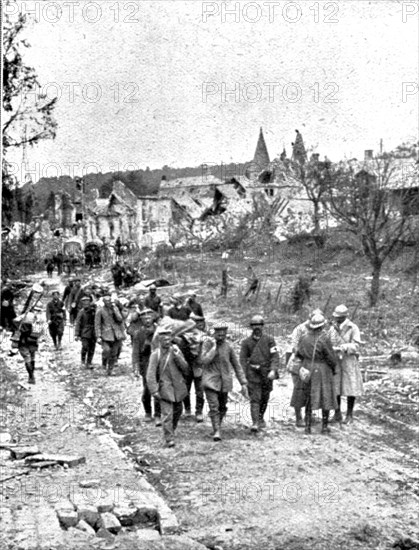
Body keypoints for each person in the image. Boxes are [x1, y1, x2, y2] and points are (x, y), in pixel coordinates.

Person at [200, 322, 249, 441]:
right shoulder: (207, 344)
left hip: (224, 382)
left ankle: (217, 425)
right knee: (214, 406)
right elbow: (204, 360)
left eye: (223, 335)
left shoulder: (229, 347)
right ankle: (217, 430)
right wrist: (214, 347)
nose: (221, 337)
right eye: (218, 334)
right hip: (210, 381)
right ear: (214, 333)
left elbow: (237, 366)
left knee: (222, 406)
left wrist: (243, 382)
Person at [291, 313, 337, 435]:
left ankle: (307, 427)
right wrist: (333, 368)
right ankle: (325, 427)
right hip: (321, 369)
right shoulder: (324, 339)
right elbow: (330, 357)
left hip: (306, 368)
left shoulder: (304, 337)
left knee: (308, 397)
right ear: (322, 326)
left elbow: (298, 354)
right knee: (325, 397)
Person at [147, 327, 189, 447]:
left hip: (178, 388)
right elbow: (150, 374)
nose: (167, 341)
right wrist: (154, 390)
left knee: (178, 411)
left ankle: (171, 430)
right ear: (159, 340)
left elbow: (185, 369)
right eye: (164, 339)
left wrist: (178, 357)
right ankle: (169, 438)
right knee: (167, 414)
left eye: (168, 338)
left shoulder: (176, 351)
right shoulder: (156, 355)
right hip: (164, 388)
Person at [240, 315, 280, 432]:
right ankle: (255, 423)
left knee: (264, 397)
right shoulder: (246, 342)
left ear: (263, 326)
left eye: (259, 325)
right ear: (251, 327)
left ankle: (261, 417)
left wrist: (273, 370)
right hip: (253, 373)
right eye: (254, 325)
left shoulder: (269, 340)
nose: (256, 327)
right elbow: (242, 360)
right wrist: (243, 376)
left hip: (266, 373)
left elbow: (275, 356)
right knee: (255, 398)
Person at [329, 304, 364, 424]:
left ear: (345, 317)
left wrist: (344, 347)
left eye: (339, 317)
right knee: (336, 387)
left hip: (348, 360)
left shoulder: (353, 328)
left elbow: (357, 345)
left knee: (350, 387)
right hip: (336, 361)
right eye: (336, 317)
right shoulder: (332, 328)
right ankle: (337, 413)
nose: (337, 319)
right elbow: (328, 341)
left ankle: (349, 414)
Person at [131, 308, 161, 425]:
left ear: (153, 318)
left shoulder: (159, 331)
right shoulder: (139, 333)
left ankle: (158, 414)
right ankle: (148, 412)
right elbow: (135, 351)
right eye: (144, 319)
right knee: (147, 389)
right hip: (146, 364)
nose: (147, 321)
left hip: (159, 363)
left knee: (159, 388)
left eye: (149, 318)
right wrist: (136, 367)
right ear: (141, 320)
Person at [94, 294, 126, 375]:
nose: (109, 303)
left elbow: (120, 319)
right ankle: (104, 364)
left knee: (114, 353)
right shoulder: (100, 310)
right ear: (104, 302)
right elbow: (97, 324)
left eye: (110, 301)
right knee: (106, 350)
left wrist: (115, 310)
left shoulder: (115, 309)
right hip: (105, 334)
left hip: (116, 334)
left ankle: (110, 370)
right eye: (107, 302)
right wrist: (98, 336)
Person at [13, 305, 44, 385]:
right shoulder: (41, 318)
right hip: (34, 340)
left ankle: (31, 376)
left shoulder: (26, 315)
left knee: (27, 358)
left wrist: (21, 328)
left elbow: (15, 321)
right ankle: (31, 376)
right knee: (32, 357)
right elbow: (42, 331)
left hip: (24, 340)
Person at [74, 295, 97, 369]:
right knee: (85, 347)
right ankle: (83, 361)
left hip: (93, 332)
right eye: (84, 303)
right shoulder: (81, 312)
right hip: (85, 332)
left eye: (88, 302)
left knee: (92, 348)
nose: (86, 304)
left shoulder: (93, 310)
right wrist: (76, 334)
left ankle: (89, 362)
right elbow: (78, 323)